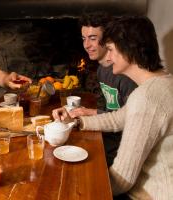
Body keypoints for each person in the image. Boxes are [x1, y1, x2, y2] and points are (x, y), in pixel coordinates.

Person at [53, 16, 173, 199]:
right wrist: (77, 121)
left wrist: (77, 187)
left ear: (128, 50)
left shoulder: (147, 97)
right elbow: (117, 118)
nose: (107, 57)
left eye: (110, 49)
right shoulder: (162, 83)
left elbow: (122, 180)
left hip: (148, 194)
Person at [75, 12, 137, 166]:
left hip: (122, 145)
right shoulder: (102, 70)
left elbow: (130, 121)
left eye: (93, 38)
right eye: (84, 39)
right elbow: (112, 111)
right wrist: (89, 113)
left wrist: (90, 113)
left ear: (108, 39)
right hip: (109, 133)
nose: (86, 45)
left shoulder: (125, 75)